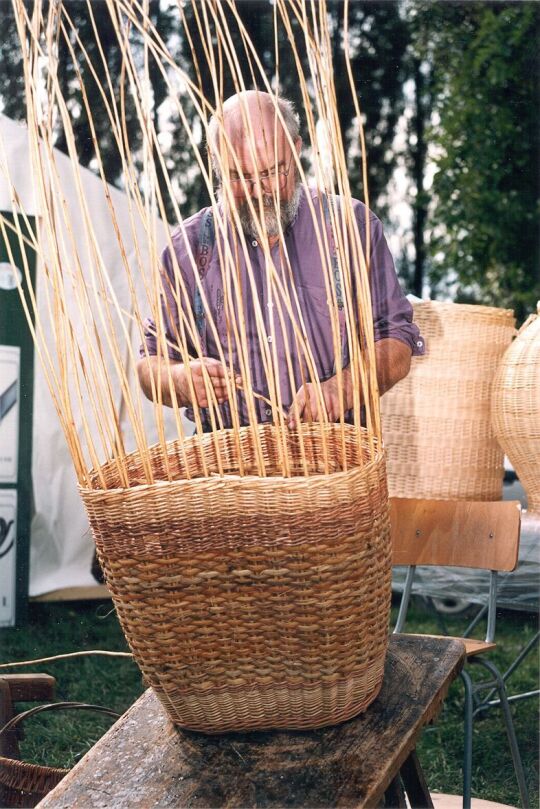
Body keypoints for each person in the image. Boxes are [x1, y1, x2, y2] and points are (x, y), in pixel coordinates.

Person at [137, 91, 424, 428]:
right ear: (215, 166)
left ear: (296, 150)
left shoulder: (350, 228)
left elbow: (397, 344)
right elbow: (151, 363)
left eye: (272, 172)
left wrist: (340, 390)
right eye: (239, 176)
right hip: (229, 472)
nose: (259, 191)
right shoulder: (187, 249)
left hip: (338, 466)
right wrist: (178, 380)